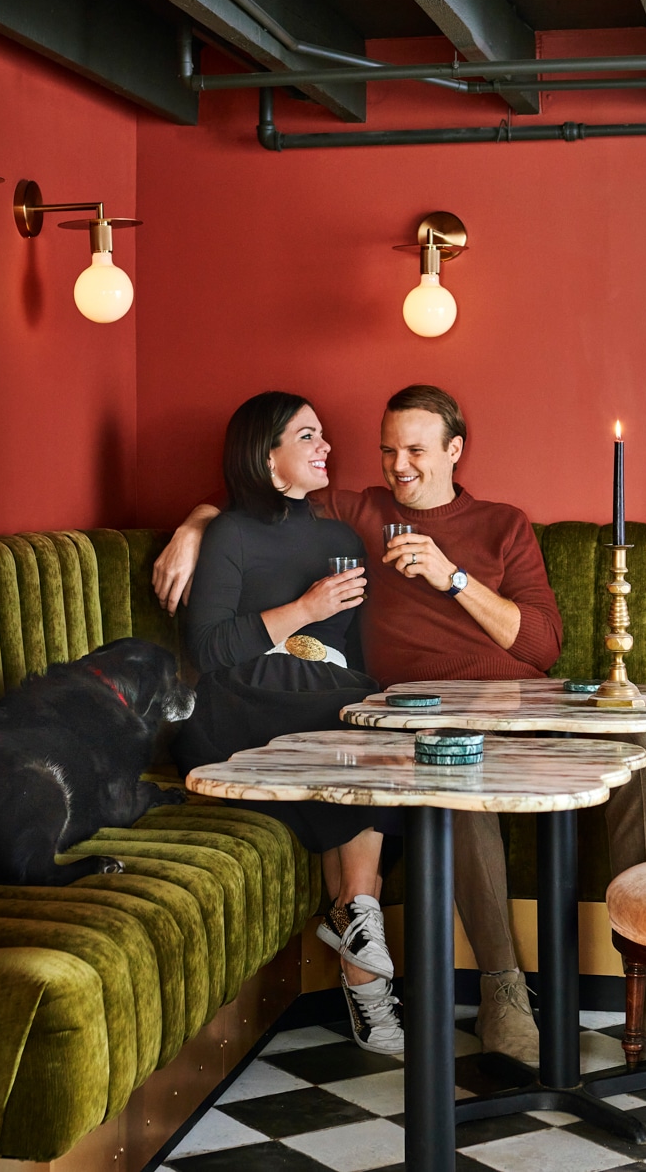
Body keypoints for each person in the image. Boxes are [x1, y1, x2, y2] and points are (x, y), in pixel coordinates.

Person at [154, 384, 646, 1079]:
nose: (399, 465)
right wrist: (195, 523)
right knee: (457, 774)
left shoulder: (501, 523)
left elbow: (542, 644)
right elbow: (262, 489)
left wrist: (452, 577)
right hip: (433, 712)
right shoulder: (358, 513)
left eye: (416, 450)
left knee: (640, 753)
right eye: (389, 449)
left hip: (521, 697)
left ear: (454, 451)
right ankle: (503, 994)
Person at [175, 390, 404, 1056]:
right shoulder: (228, 535)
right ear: (267, 456)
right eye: (307, 436)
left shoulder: (339, 537)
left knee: (372, 715)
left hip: (319, 696)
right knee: (344, 707)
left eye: (323, 433)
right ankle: (361, 950)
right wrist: (302, 609)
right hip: (236, 704)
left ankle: (356, 922)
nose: (325, 445)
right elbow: (209, 652)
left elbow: (351, 658)